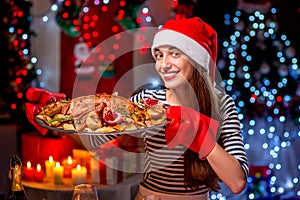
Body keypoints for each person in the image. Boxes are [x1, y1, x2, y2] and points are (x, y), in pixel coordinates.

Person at [25, 17, 248, 200]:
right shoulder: (147, 101)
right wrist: (60, 117)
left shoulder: (221, 105)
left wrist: (201, 135)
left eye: (174, 54)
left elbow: (237, 182)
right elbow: (94, 140)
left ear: (196, 60)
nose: (163, 63)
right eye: (159, 55)